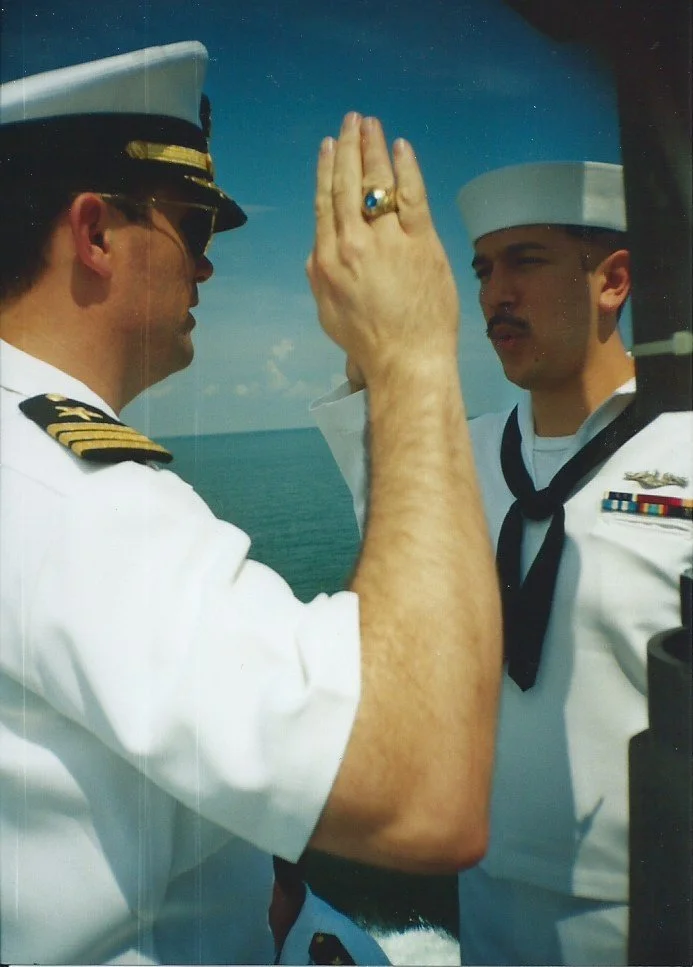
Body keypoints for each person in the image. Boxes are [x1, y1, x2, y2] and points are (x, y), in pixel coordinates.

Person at [0, 42, 503, 965]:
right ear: (95, 233)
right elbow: (424, 791)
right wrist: (411, 353)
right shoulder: (60, 487)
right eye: (193, 230)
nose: (207, 271)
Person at [312, 160, 693, 965]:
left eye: (525, 260)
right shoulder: (457, 452)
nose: (492, 294)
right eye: (483, 269)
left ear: (612, 280)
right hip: (481, 897)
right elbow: (379, 485)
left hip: (650, 911)